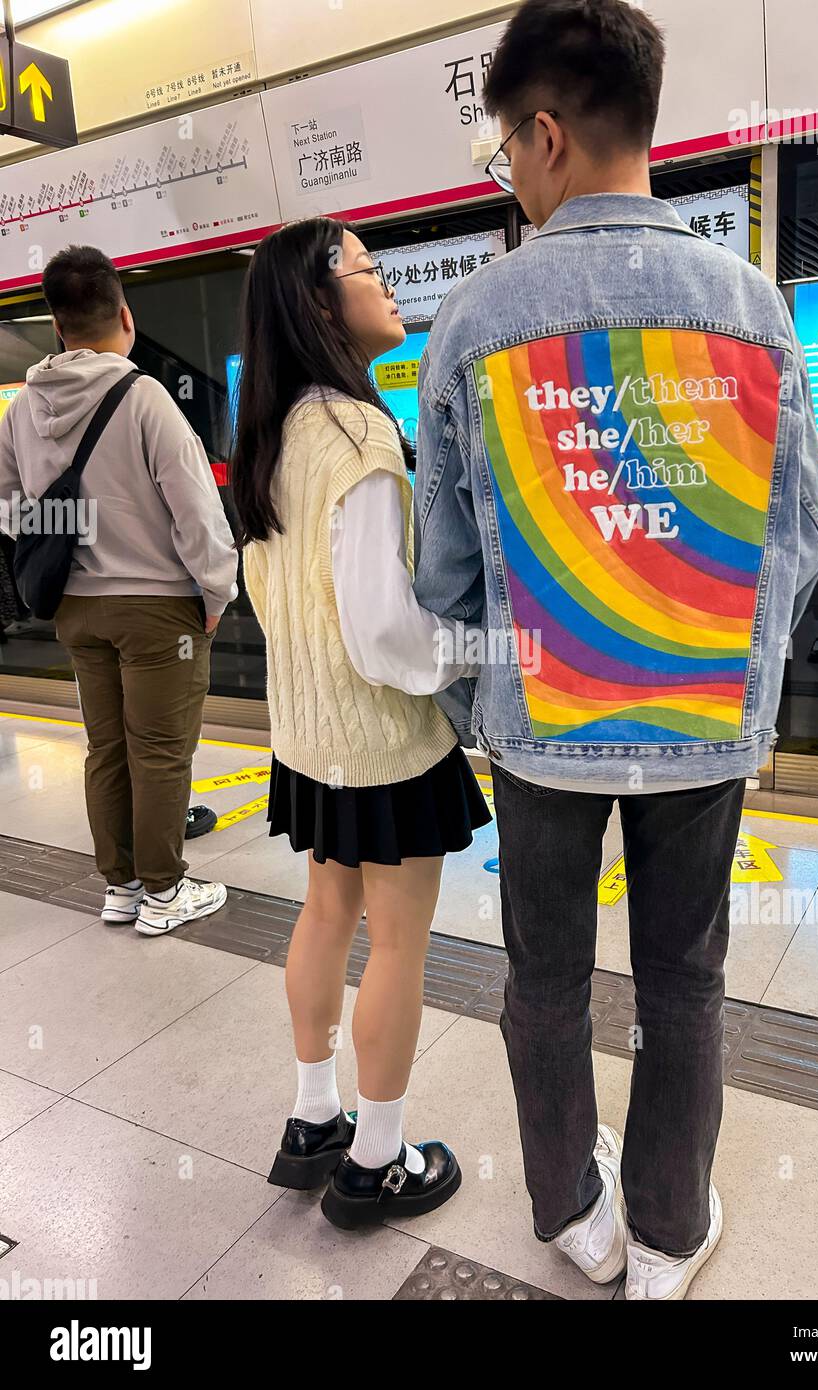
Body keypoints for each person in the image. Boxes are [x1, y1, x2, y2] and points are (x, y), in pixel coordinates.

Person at [412, 0, 818, 1299]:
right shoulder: (751, 307)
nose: (508, 172)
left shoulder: (474, 322)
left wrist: (477, 699)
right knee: (682, 980)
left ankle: (570, 1216)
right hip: (700, 719)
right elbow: (792, 544)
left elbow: (442, 577)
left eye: (502, 151)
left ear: (544, 134)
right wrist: (737, 690)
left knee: (540, 979)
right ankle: (663, 1232)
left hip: (538, 731)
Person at [231, 218, 491, 1229]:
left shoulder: (273, 435)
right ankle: (378, 1159)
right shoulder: (357, 431)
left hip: (304, 737)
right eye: (369, 270)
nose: (388, 286)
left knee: (325, 915)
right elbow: (385, 632)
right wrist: (466, 652)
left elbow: (282, 598)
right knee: (398, 945)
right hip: (382, 741)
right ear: (319, 301)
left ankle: (313, 1122)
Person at [0, 246, 237, 935]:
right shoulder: (144, 398)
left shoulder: (22, 408)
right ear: (124, 317)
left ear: (56, 322)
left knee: (107, 747)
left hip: (76, 609)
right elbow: (196, 511)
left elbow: (9, 506)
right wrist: (215, 593)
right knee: (160, 749)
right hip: (159, 607)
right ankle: (164, 894)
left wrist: (66, 544)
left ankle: (121, 887)